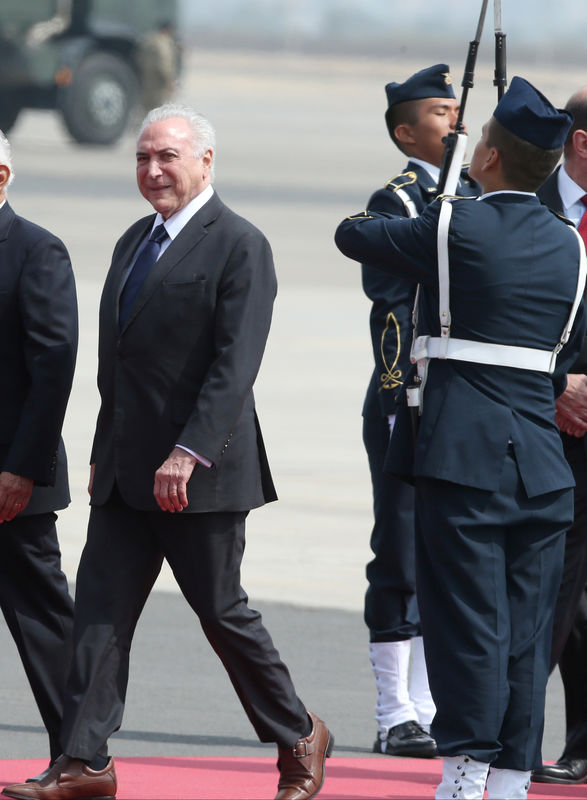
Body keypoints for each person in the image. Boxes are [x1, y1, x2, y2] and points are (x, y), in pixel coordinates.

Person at [1, 104, 332, 800]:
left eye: (167, 157)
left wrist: (188, 452)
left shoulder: (239, 243)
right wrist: (100, 450)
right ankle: (85, 762)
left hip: (199, 476)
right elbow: (113, 368)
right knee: (97, 615)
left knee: (221, 613)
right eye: (143, 158)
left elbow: (232, 368)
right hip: (125, 475)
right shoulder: (132, 242)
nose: (152, 170)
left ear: (205, 162)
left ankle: (298, 734)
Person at [335, 77, 585, 799]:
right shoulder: (569, 245)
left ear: (490, 157)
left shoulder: (455, 226)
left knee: (465, 624)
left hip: (464, 461)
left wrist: (446, 189)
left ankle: (466, 771)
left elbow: (353, 232)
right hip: (540, 467)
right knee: (526, 630)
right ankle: (510, 774)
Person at [360, 63, 478, 759]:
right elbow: (388, 287)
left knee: (451, 556)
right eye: (440, 111)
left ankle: (433, 706)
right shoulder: (398, 201)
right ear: (408, 132)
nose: (455, 118)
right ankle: (393, 709)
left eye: (457, 107)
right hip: (406, 398)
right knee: (400, 552)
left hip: (467, 403)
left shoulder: (482, 195)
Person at [0, 130, 77, 770]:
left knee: (42, 623)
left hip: (9, 480)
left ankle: (79, 756)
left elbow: (53, 367)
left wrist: (23, 467)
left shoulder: (35, 251)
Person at [531, 86, 587, 786]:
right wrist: (555, 388)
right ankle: (508, 737)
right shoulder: (523, 205)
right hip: (539, 433)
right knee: (548, 594)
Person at [136, 21, 179, 112]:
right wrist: (170, 81)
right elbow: (164, 64)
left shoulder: (147, 41)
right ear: (166, 30)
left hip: (144, 85)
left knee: (144, 113)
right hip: (159, 87)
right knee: (160, 113)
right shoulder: (162, 43)